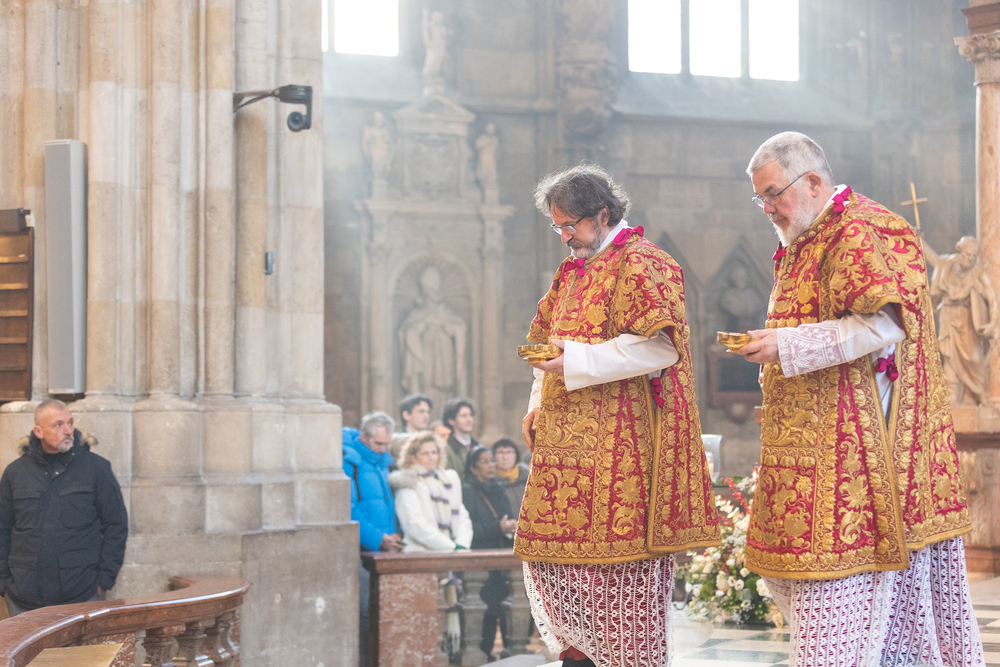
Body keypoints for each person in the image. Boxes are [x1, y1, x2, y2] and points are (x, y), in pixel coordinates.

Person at [736, 131, 983, 666]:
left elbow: (884, 325)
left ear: (813, 181)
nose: (768, 208)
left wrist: (785, 345)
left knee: (843, 617)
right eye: (760, 198)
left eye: (773, 194)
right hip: (811, 445)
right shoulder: (806, 235)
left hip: (861, 455)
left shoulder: (862, 227)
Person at [518, 164, 721, 667]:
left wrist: (576, 360)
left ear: (603, 214)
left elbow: (661, 348)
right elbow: (546, 347)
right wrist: (537, 401)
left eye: (570, 225)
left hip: (620, 456)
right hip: (562, 457)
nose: (564, 237)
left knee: (617, 587)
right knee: (557, 578)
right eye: (557, 227)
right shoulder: (570, 273)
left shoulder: (645, 262)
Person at [0, 399, 128, 615]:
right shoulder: (16, 472)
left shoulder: (96, 468)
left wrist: (104, 580)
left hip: (80, 594)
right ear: (39, 431)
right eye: (58, 425)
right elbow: (2, 528)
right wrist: (3, 583)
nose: (68, 431)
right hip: (23, 596)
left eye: (70, 423)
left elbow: (116, 524)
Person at [343, 411, 402, 667]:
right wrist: (378, 538)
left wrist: (393, 533)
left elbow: (386, 504)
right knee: (365, 613)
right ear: (364, 437)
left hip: (385, 549)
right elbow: (349, 508)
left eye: (386, 444)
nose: (382, 449)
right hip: (362, 550)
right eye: (378, 443)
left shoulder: (380, 462)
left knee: (383, 613)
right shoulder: (350, 462)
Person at [923, 235, 998, 406]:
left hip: (967, 320)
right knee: (949, 357)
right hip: (948, 315)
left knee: (975, 358)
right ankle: (951, 399)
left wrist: (992, 323)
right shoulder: (946, 264)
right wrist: (920, 240)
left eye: (973, 256)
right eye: (967, 254)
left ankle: (981, 393)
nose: (969, 259)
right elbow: (933, 259)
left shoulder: (978, 273)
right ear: (959, 252)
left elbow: (992, 298)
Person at [464, 446, 518, 661]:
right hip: (479, 560)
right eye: (485, 461)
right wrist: (499, 528)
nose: (491, 466)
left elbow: (508, 517)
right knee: (486, 612)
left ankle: (508, 657)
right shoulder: (468, 491)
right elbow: (469, 529)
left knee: (504, 609)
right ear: (473, 467)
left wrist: (511, 526)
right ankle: (483, 656)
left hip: (502, 558)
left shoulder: (498, 489)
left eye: (492, 461)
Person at [389, 432, 472, 552]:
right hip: (421, 552)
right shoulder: (408, 482)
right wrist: (450, 546)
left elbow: (462, 516)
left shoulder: (447, 480)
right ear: (413, 457)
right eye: (425, 453)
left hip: (453, 552)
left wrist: (461, 544)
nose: (431, 457)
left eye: (434, 452)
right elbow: (414, 523)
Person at [442, 397, 479, 481]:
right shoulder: (446, 450)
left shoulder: (477, 446)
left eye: (470, 415)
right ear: (451, 420)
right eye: (463, 416)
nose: (469, 419)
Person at [389, 393, 433, 463]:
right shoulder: (397, 441)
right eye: (421, 411)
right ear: (406, 415)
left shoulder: (429, 440)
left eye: (428, 412)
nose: (427, 416)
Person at [491, 438, 529, 519]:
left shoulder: (527, 475)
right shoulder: (490, 479)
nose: (505, 457)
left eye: (509, 452)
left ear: (516, 454)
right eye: (500, 452)